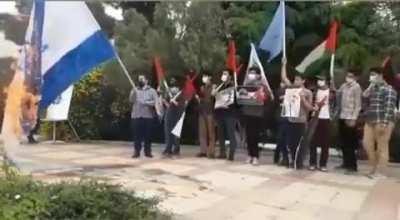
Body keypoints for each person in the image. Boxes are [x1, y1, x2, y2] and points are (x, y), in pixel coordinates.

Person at [362, 67, 397, 178]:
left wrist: (385, 123)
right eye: (371, 75)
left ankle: (381, 172)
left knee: (382, 146)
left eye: (373, 75)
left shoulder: (389, 89)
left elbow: (389, 108)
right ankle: (373, 168)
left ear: (381, 76)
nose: (371, 77)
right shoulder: (373, 88)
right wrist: (371, 85)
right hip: (371, 120)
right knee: (367, 144)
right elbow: (364, 95)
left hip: (383, 120)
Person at [281, 59, 315, 169]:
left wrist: (303, 99)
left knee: (300, 144)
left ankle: (299, 162)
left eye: (298, 79)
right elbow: (284, 78)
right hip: (291, 120)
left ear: (303, 81)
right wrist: (283, 64)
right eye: (295, 79)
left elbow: (310, 108)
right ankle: (293, 161)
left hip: (301, 121)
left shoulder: (308, 92)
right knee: (291, 143)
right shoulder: (292, 88)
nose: (296, 81)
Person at [239, 67, 268, 165]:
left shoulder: (262, 85)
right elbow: (241, 97)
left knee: (255, 136)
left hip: (257, 114)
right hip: (247, 112)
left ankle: (255, 156)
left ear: (258, 75)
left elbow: (266, 97)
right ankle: (249, 155)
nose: (251, 75)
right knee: (248, 135)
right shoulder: (245, 84)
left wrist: (262, 89)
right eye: (250, 73)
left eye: (253, 73)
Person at [336, 70, 362, 174]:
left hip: (350, 117)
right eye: (347, 76)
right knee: (343, 142)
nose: (348, 78)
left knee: (350, 143)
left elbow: (358, 104)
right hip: (342, 116)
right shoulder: (344, 86)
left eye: (351, 76)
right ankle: (345, 163)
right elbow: (338, 93)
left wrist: (353, 118)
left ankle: (352, 166)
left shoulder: (356, 87)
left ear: (355, 77)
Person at [129, 74, 158, 158]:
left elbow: (155, 102)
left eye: (142, 79)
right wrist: (134, 92)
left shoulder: (152, 91)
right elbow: (131, 100)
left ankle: (148, 152)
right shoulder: (134, 89)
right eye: (139, 79)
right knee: (136, 135)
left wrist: (145, 102)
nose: (140, 81)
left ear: (146, 81)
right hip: (136, 116)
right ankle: (136, 152)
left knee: (148, 136)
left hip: (148, 116)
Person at [213, 70, 239, 161]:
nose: (223, 75)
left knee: (230, 133)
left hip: (230, 114)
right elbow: (217, 100)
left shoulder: (233, 86)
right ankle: (222, 152)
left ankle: (231, 153)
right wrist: (214, 93)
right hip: (220, 113)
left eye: (225, 74)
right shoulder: (220, 86)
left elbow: (235, 101)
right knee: (221, 134)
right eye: (223, 73)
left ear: (230, 76)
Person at [309, 75, 332, 172]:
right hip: (315, 118)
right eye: (318, 80)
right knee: (313, 141)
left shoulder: (331, 92)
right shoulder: (315, 91)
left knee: (325, 143)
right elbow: (312, 103)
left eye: (322, 79)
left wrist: (332, 116)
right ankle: (312, 163)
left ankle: (323, 164)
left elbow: (335, 105)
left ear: (326, 81)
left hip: (326, 118)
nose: (319, 81)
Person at [162, 77, 185, 158]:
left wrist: (175, 102)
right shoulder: (168, 90)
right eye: (171, 80)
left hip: (178, 113)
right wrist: (167, 103)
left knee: (176, 132)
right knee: (168, 131)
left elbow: (182, 104)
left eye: (174, 81)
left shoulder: (181, 92)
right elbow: (164, 100)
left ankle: (176, 149)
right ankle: (168, 148)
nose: (172, 82)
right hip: (169, 112)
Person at [196, 73, 216, 158]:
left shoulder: (214, 87)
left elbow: (212, 99)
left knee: (211, 133)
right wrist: (198, 99)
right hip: (202, 111)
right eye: (203, 77)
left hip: (210, 112)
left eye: (205, 76)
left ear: (210, 77)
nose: (204, 78)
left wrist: (214, 92)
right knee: (202, 132)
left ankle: (211, 152)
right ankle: (203, 151)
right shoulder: (202, 88)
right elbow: (202, 99)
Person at [274, 82, 289, 166]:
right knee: (280, 139)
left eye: (284, 82)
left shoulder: (291, 92)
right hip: (280, 118)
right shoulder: (278, 92)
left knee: (284, 140)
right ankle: (283, 157)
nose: (282, 84)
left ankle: (284, 158)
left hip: (288, 118)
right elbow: (275, 104)